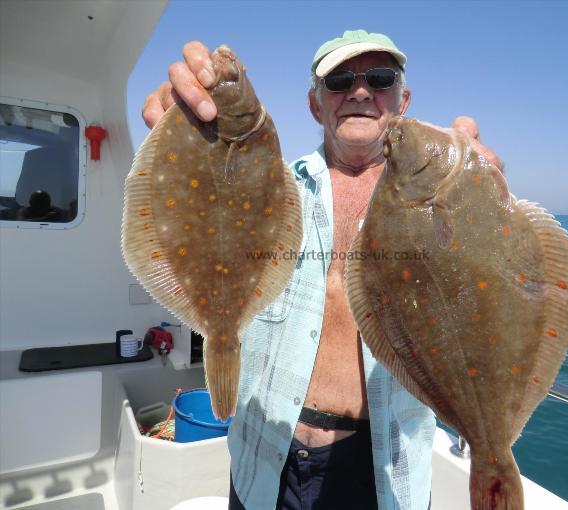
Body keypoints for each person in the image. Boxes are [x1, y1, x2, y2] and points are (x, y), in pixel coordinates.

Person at [142, 29, 502, 510]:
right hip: (264, 455)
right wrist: (184, 128)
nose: (359, 92)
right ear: (315, 105)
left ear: (402, 99)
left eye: (379, 78)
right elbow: (191, 215)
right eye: (338, 80)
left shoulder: (439, 202)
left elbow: (481, 304)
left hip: (381, 467)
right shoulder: (269, 185)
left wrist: (485, 209)